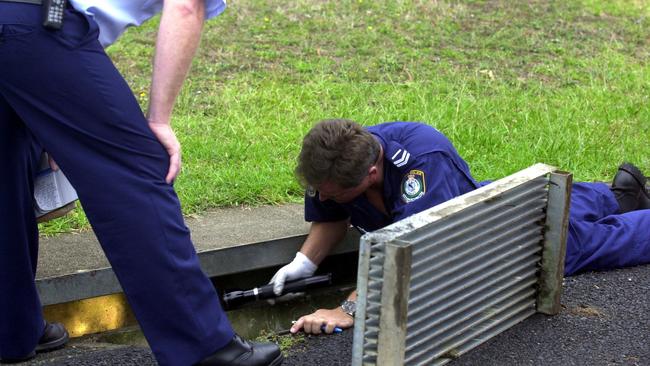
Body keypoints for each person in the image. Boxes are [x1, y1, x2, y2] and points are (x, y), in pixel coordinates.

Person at [0, 1, 282, 365]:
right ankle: (203, 347)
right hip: (40, 22)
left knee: (7, 167)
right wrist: (159, 120)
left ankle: (11, 328)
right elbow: (185, 6)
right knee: (136, 168)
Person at [269, 119, 650, 335]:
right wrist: (304, 263)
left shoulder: (423, 160)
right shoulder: (333, 162)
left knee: (581, 245)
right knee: (548, 201)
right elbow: (331, 213)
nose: (323, 196)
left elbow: (413, 250)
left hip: (491, 239)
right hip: (465, 202)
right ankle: (620, 196)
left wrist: (348, 308)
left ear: (371, 174)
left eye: (334, 193)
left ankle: (633, 215)